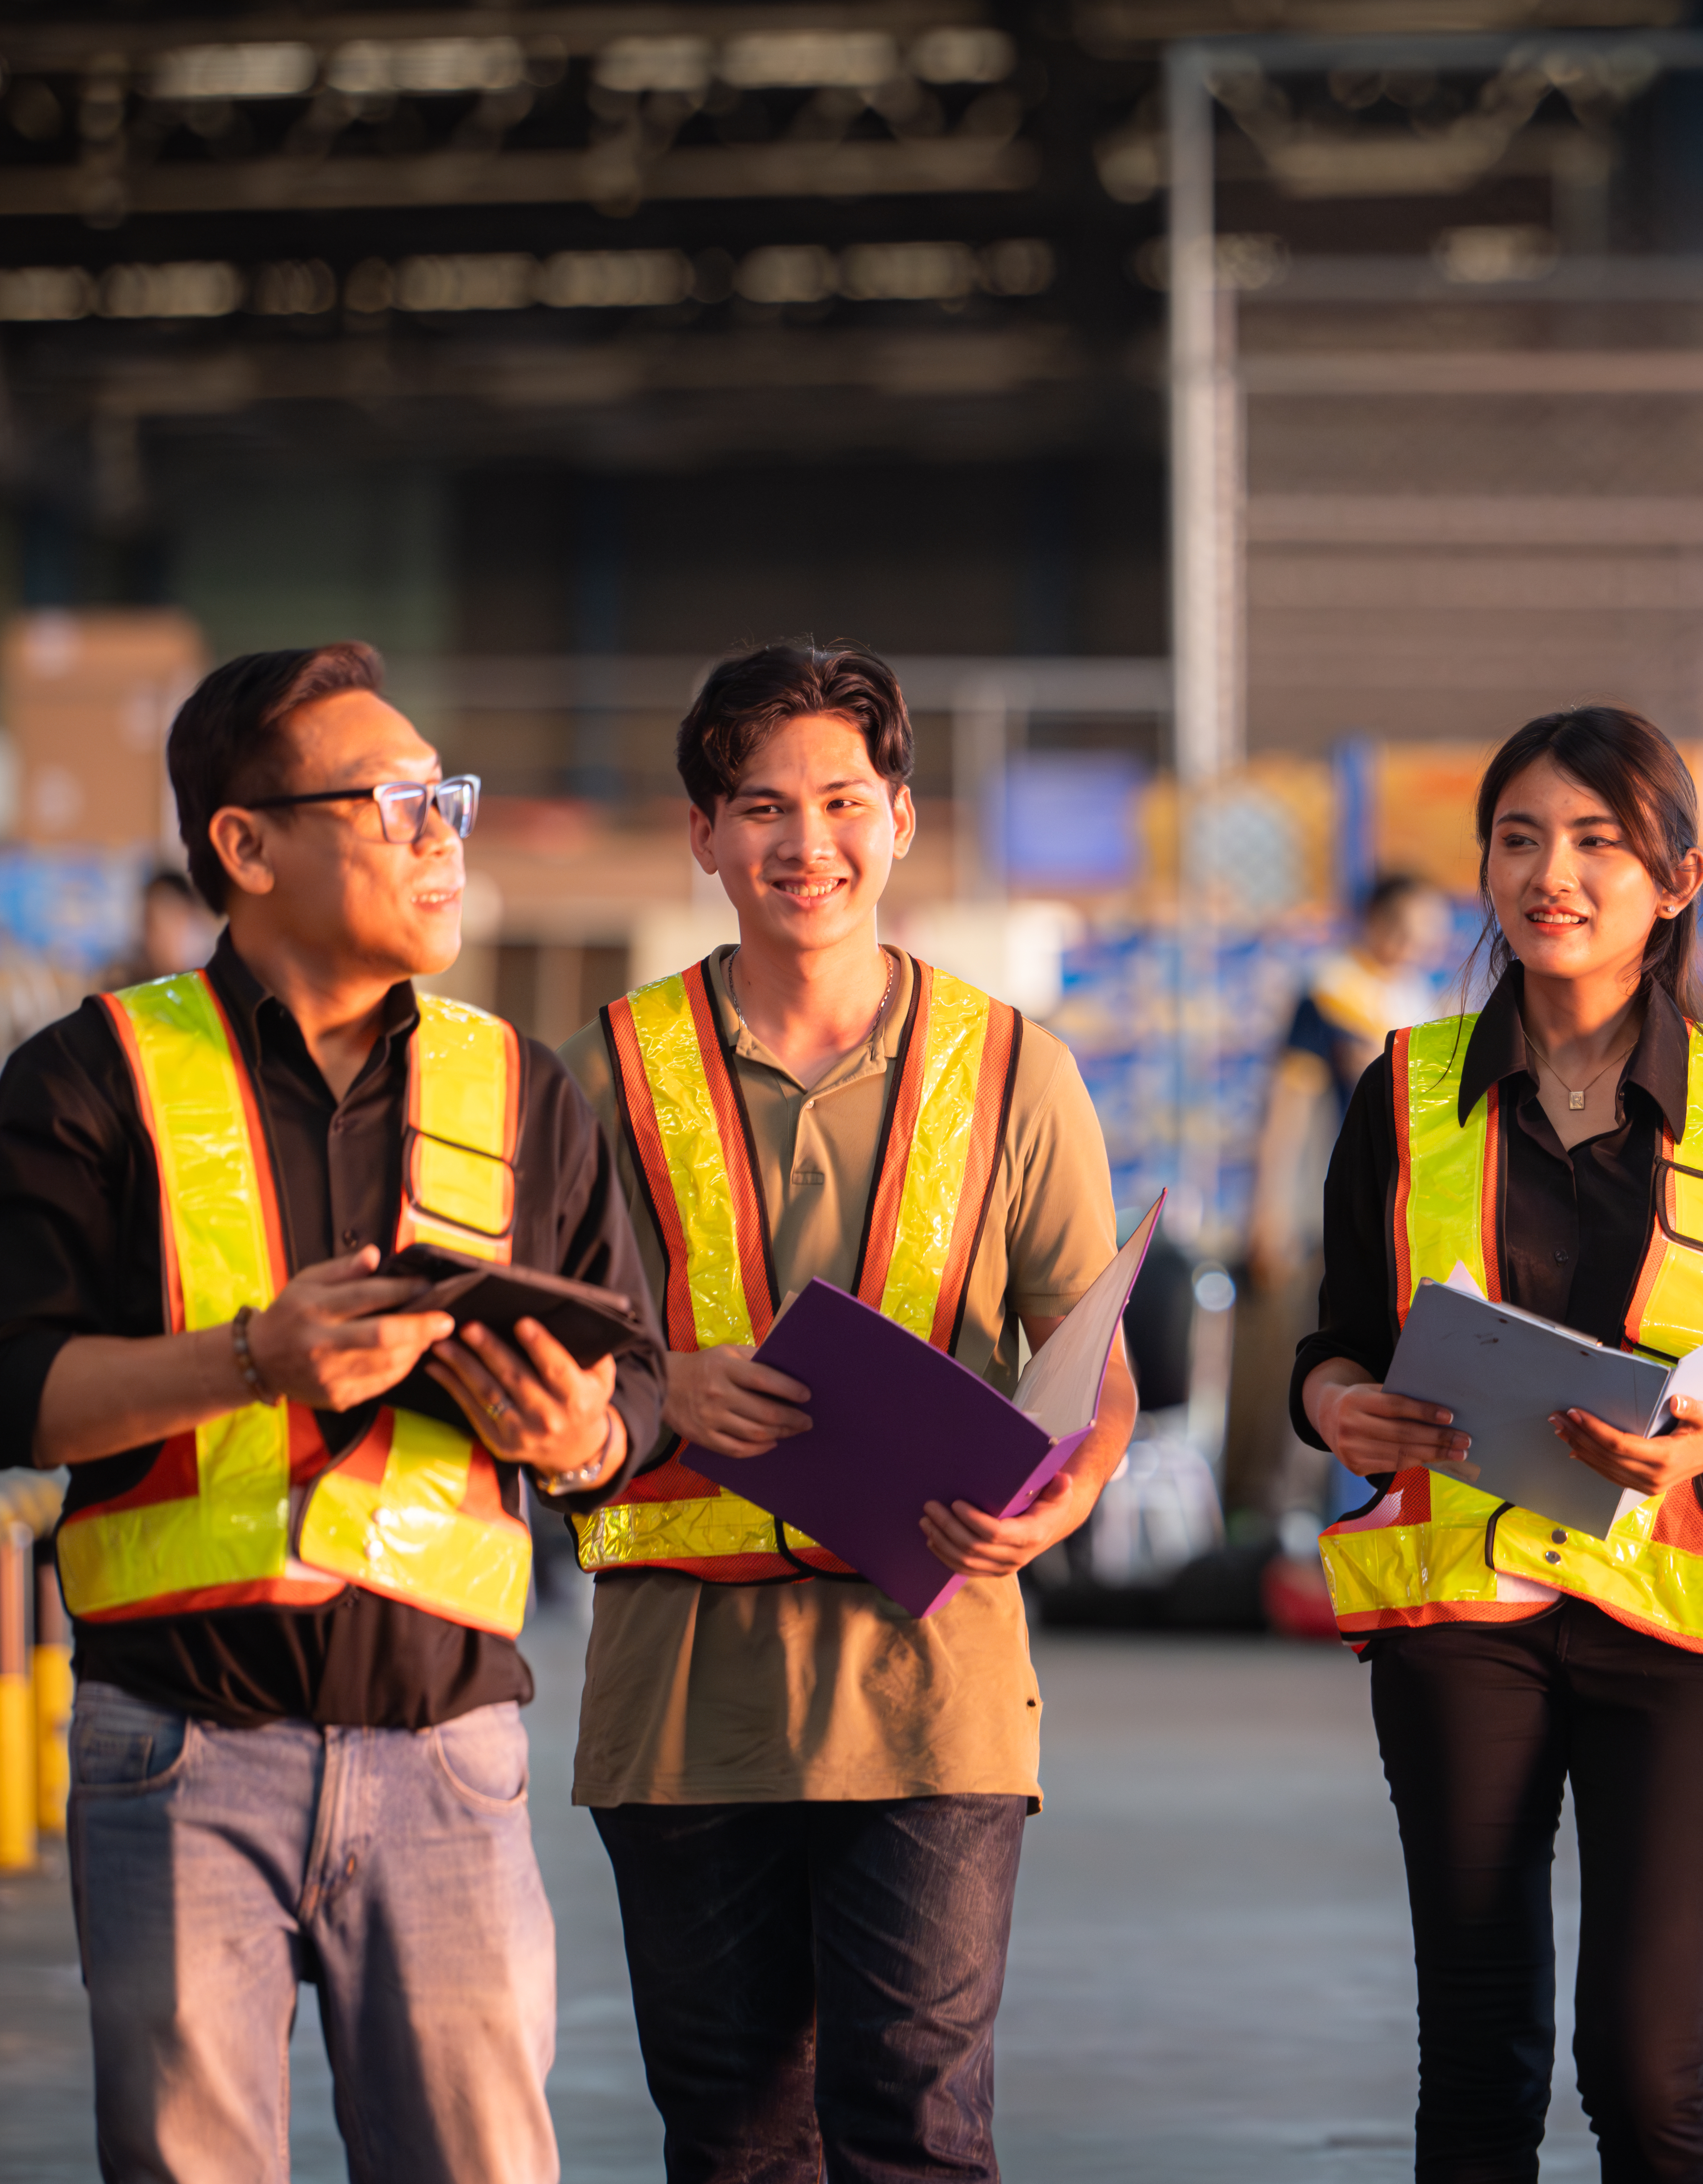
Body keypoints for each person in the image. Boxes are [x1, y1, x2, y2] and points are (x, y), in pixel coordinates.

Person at [0, 641, 663, 2182]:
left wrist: (577, 1440)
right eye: (394, 800)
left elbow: (635, 1395)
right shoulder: (89, 1081)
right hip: (180, 1754)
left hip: (451, 1753)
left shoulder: (527, 1093)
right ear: (245, 847)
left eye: (443, 796)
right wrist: (243, 1363)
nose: (439, 833)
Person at [560, 642, 1139, 2184]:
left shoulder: (1017, 1071)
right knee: (735, 2139)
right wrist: (661, 1386)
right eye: (757, 806)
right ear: (700, 836)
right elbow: (541, 1364)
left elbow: (1090, 1370)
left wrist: (1056, 1505)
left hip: (931, 1684)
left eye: (836, 801)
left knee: (917, 2130)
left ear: (898, 818)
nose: (800, 844)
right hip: (684, 1698)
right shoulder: (605, 1077)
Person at [1293, 704, 1703, 2184]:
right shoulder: (1403, 1092)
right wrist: (1340, 1409)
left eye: (1599, 841)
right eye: (1520, 838)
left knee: (1645, 2064)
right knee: (1477, 2057)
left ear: (1675, 878)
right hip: (1458, 1621)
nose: (1554, 872)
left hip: (1673, 1619)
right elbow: (1333, 1344)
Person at [1241, 871, 1449, 1526]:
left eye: (1429, 931)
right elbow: (1287, 1109)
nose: (1419, 943)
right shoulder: (1330, 996)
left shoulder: (1418, 1000)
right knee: (1313, 1358)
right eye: (1409, 927)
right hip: (1324, 1212)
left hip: (1403, 1218)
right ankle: (1278, 1521)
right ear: (1376, 922)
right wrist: (1268, 1210)